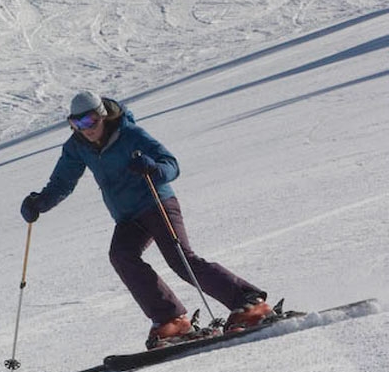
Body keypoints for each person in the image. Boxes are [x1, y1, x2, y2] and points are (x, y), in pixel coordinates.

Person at [20, 91, 273, 349]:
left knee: (181, 259)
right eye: (77, 124)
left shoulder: (130, 134)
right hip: (128, 217)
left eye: (90, 121)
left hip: (156, 203)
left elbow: (171, 164)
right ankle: (171, 319)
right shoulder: (77, 147)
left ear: (103, 115)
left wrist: (153, 168)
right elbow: (63, 182)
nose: (86, 129)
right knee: (122, 256)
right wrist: (39, 203)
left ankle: (250, 303)